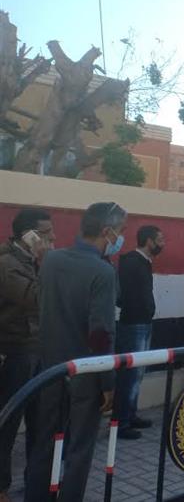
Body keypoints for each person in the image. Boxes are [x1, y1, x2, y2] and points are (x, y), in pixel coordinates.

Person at [25, 202, 126, 502]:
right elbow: (101, 333)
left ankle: (36, 496)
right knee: (79, 448)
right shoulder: (103, 272)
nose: (120, 239)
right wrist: (108, 382)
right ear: (106, 232)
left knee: (44, 440)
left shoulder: (51, 260)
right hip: (85, 373)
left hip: (50, 368)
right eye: (120, 231)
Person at [0, 208, 55, 502]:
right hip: (16, 351)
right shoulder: (8, 265)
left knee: (40, 421)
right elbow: (37, 298)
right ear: (29, 236)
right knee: (8, 423)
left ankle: (36, 483)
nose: (52, 238)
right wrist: (47, 263)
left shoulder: (30, 260)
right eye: (46, 234)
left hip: (37, 348)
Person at [113, 225, 165, 440]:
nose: (162, 244)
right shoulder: (132, 262)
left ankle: (130, 414)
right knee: (129, 375)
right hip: (133, 324)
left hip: (142, 322)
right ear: (149, 241)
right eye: (160, 239)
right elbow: (125, 295)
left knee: (137, 373)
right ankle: (121, 422)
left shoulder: (142, 262)